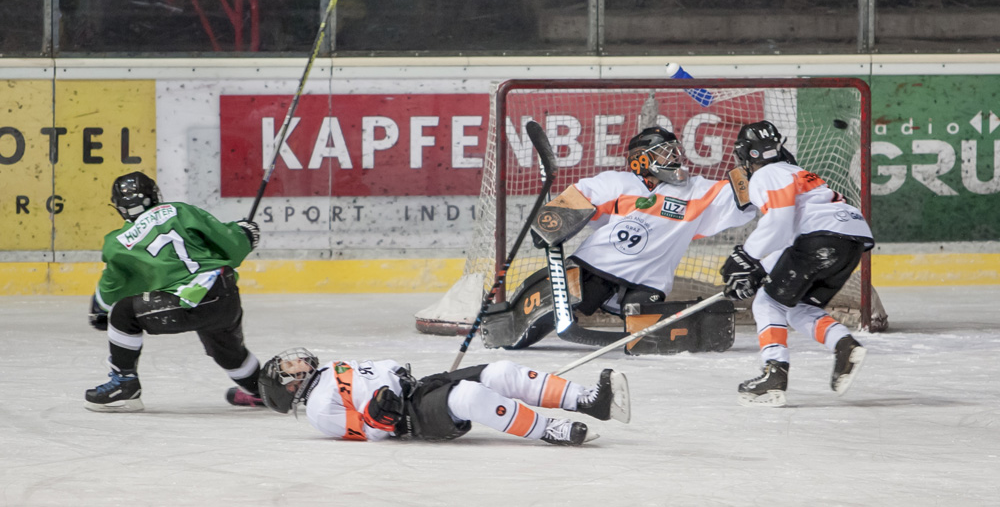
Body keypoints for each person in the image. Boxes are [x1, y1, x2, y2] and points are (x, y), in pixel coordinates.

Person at [484, 125, 757, 353]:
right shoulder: (617, 183)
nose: (674, 157)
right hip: (595, 266)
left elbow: (741, 198)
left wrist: (757, 170)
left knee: (649, 334)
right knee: (550, 307)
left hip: (649, 280)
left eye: (675, 151)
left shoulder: (696, 189)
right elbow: (582, 194)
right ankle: (511, 327)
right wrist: (553, 220)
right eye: (664, 152)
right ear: (641, 160)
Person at [719, 120, 874, 407]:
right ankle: (844, 344)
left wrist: (746, 256)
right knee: (797, 306)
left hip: (821, 238)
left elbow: (778, 222)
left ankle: (774, 372)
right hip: (850, 241)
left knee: (767, 303)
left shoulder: (766, 174)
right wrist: (759, 271)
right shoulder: (793, 171)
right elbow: (790, 236)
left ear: (747, 154)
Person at [84, 171, 265, 412]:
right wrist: (244, 233)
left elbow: (111, 289)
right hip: (224, 293)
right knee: (228, 352)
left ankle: (124, 383)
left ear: (119, 207)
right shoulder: (180, 210)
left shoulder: (117, 243)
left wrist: (99, 309)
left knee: (123, 313)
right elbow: (232, 247)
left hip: (191, 300)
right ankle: (263, 391)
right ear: (154, 195)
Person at [257, 347, 631, 446]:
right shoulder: (319, 410)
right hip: (410, 418)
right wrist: (378, 413)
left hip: (419, 388)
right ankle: (549, 429)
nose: (295, 361)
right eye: (287, 366)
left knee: (501, 371)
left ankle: (588, 400)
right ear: (289, 387)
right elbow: (370, 431)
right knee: (470, 396)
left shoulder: (328, 369)